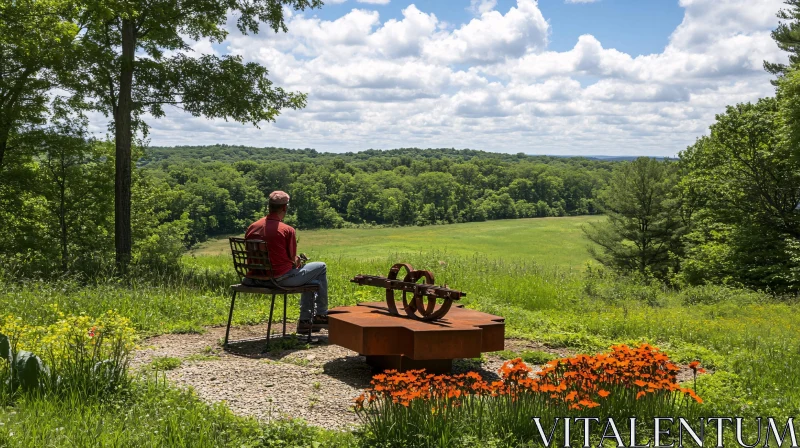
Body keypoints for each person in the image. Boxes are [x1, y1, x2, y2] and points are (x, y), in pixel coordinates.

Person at [243, 190, 328, 333]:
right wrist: (298, 261)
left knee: (315, 283)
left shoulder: (252, 227)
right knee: (321, 267)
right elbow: (292, 260)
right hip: (278, 279)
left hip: (254, 278)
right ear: (285, 208)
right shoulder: (287, 230)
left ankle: (306, 322)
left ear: (269, 206)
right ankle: (319, 315)